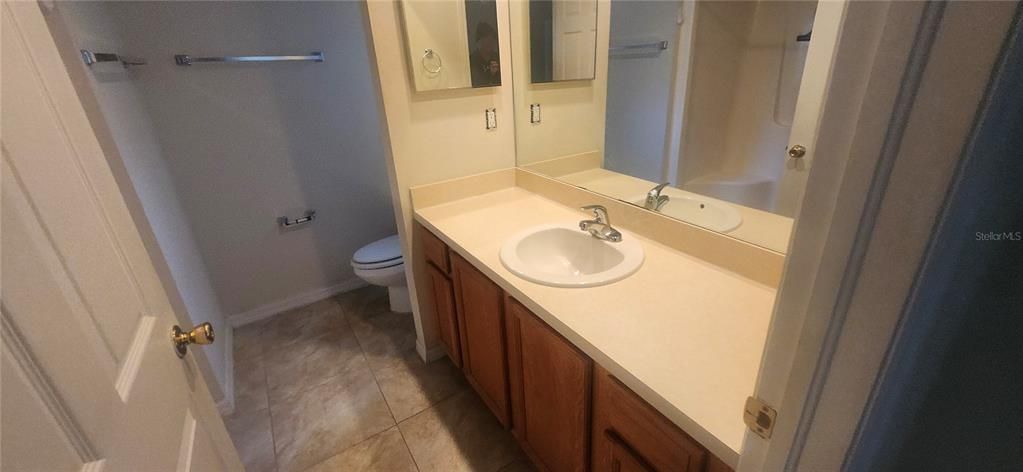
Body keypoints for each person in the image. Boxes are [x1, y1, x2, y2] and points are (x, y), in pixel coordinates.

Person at [469, 21, 500, 86]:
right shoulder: (473, 60)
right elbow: (475, 83)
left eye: (492, 38)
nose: (490, 42)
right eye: (486, 38)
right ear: (479, 40)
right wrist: (490, 74)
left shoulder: (498, 57)